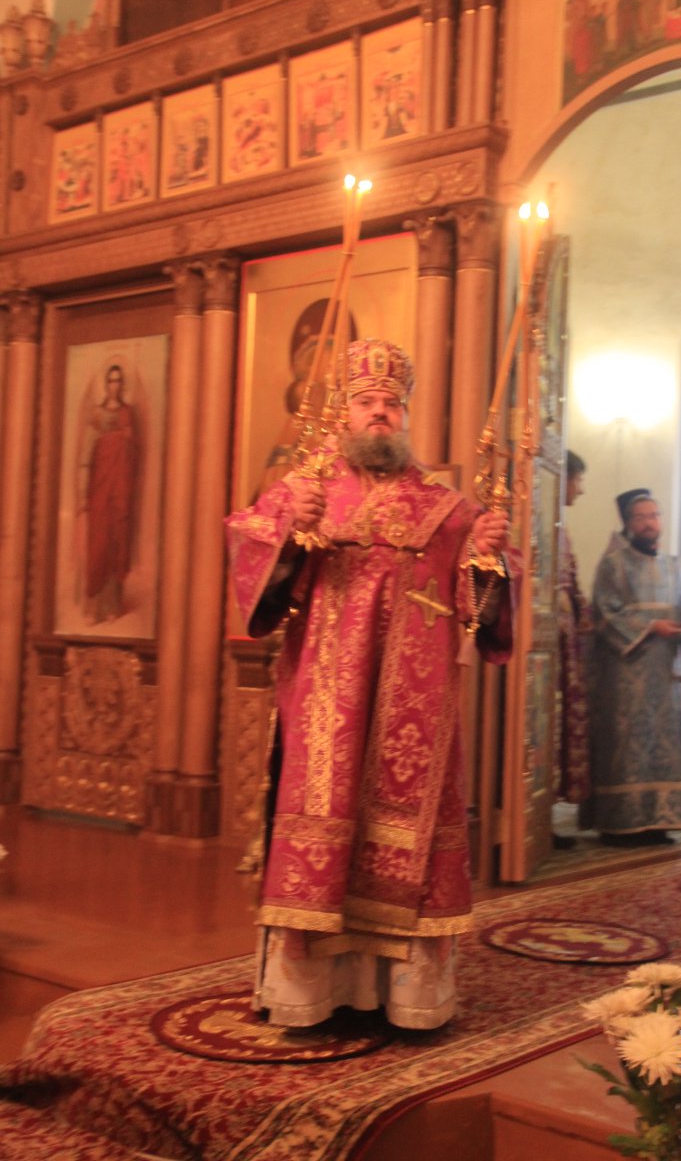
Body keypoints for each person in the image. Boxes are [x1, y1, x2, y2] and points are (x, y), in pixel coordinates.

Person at [225, 338, 516, 1030]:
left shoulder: (447, 510)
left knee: (408, 831)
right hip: (326, 696)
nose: (381, 413)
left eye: (392, 403)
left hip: (414, 709)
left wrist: (488, 559)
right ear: (343, 412)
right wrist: (290, 534)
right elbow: (254, 568)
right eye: (366, 402)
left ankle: (404, 996)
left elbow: (481, 613)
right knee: (322, 816)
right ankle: (308, 992)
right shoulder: (306, 491)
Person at [588, 489, 681, 847]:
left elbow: (679, 618)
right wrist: (651, 626)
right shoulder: (613, 564)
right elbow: (604, 613)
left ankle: (659, 820)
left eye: (654, 515)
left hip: (664, 672)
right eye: (642, 517)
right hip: (627, 673)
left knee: (663, 743)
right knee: (628, 742)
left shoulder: (673, 565)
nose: (650, 523)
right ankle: (620, 823)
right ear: (628, 523)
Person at [78, 362, 139, 624]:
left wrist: (127, 441)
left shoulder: (127, 413)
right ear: (106, 384)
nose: (115, 386)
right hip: (100, 488)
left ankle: (113, 604)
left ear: (122, 385)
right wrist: (83, 493)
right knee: (99, 544)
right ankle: (95, 607)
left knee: (117, 541)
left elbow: (133, 452)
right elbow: (86, 455)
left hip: (120, 488)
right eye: (111, 381)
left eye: (118, 381)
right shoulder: (97, 414)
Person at [554, 450, 592, 848]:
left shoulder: (560, 528)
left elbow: (573, 585)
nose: (580, 490)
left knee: (559, 724)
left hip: (564, 642)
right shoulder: (545, 524)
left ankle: (543, 819)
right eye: (578, 480)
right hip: (547, 643)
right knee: (546, 725)